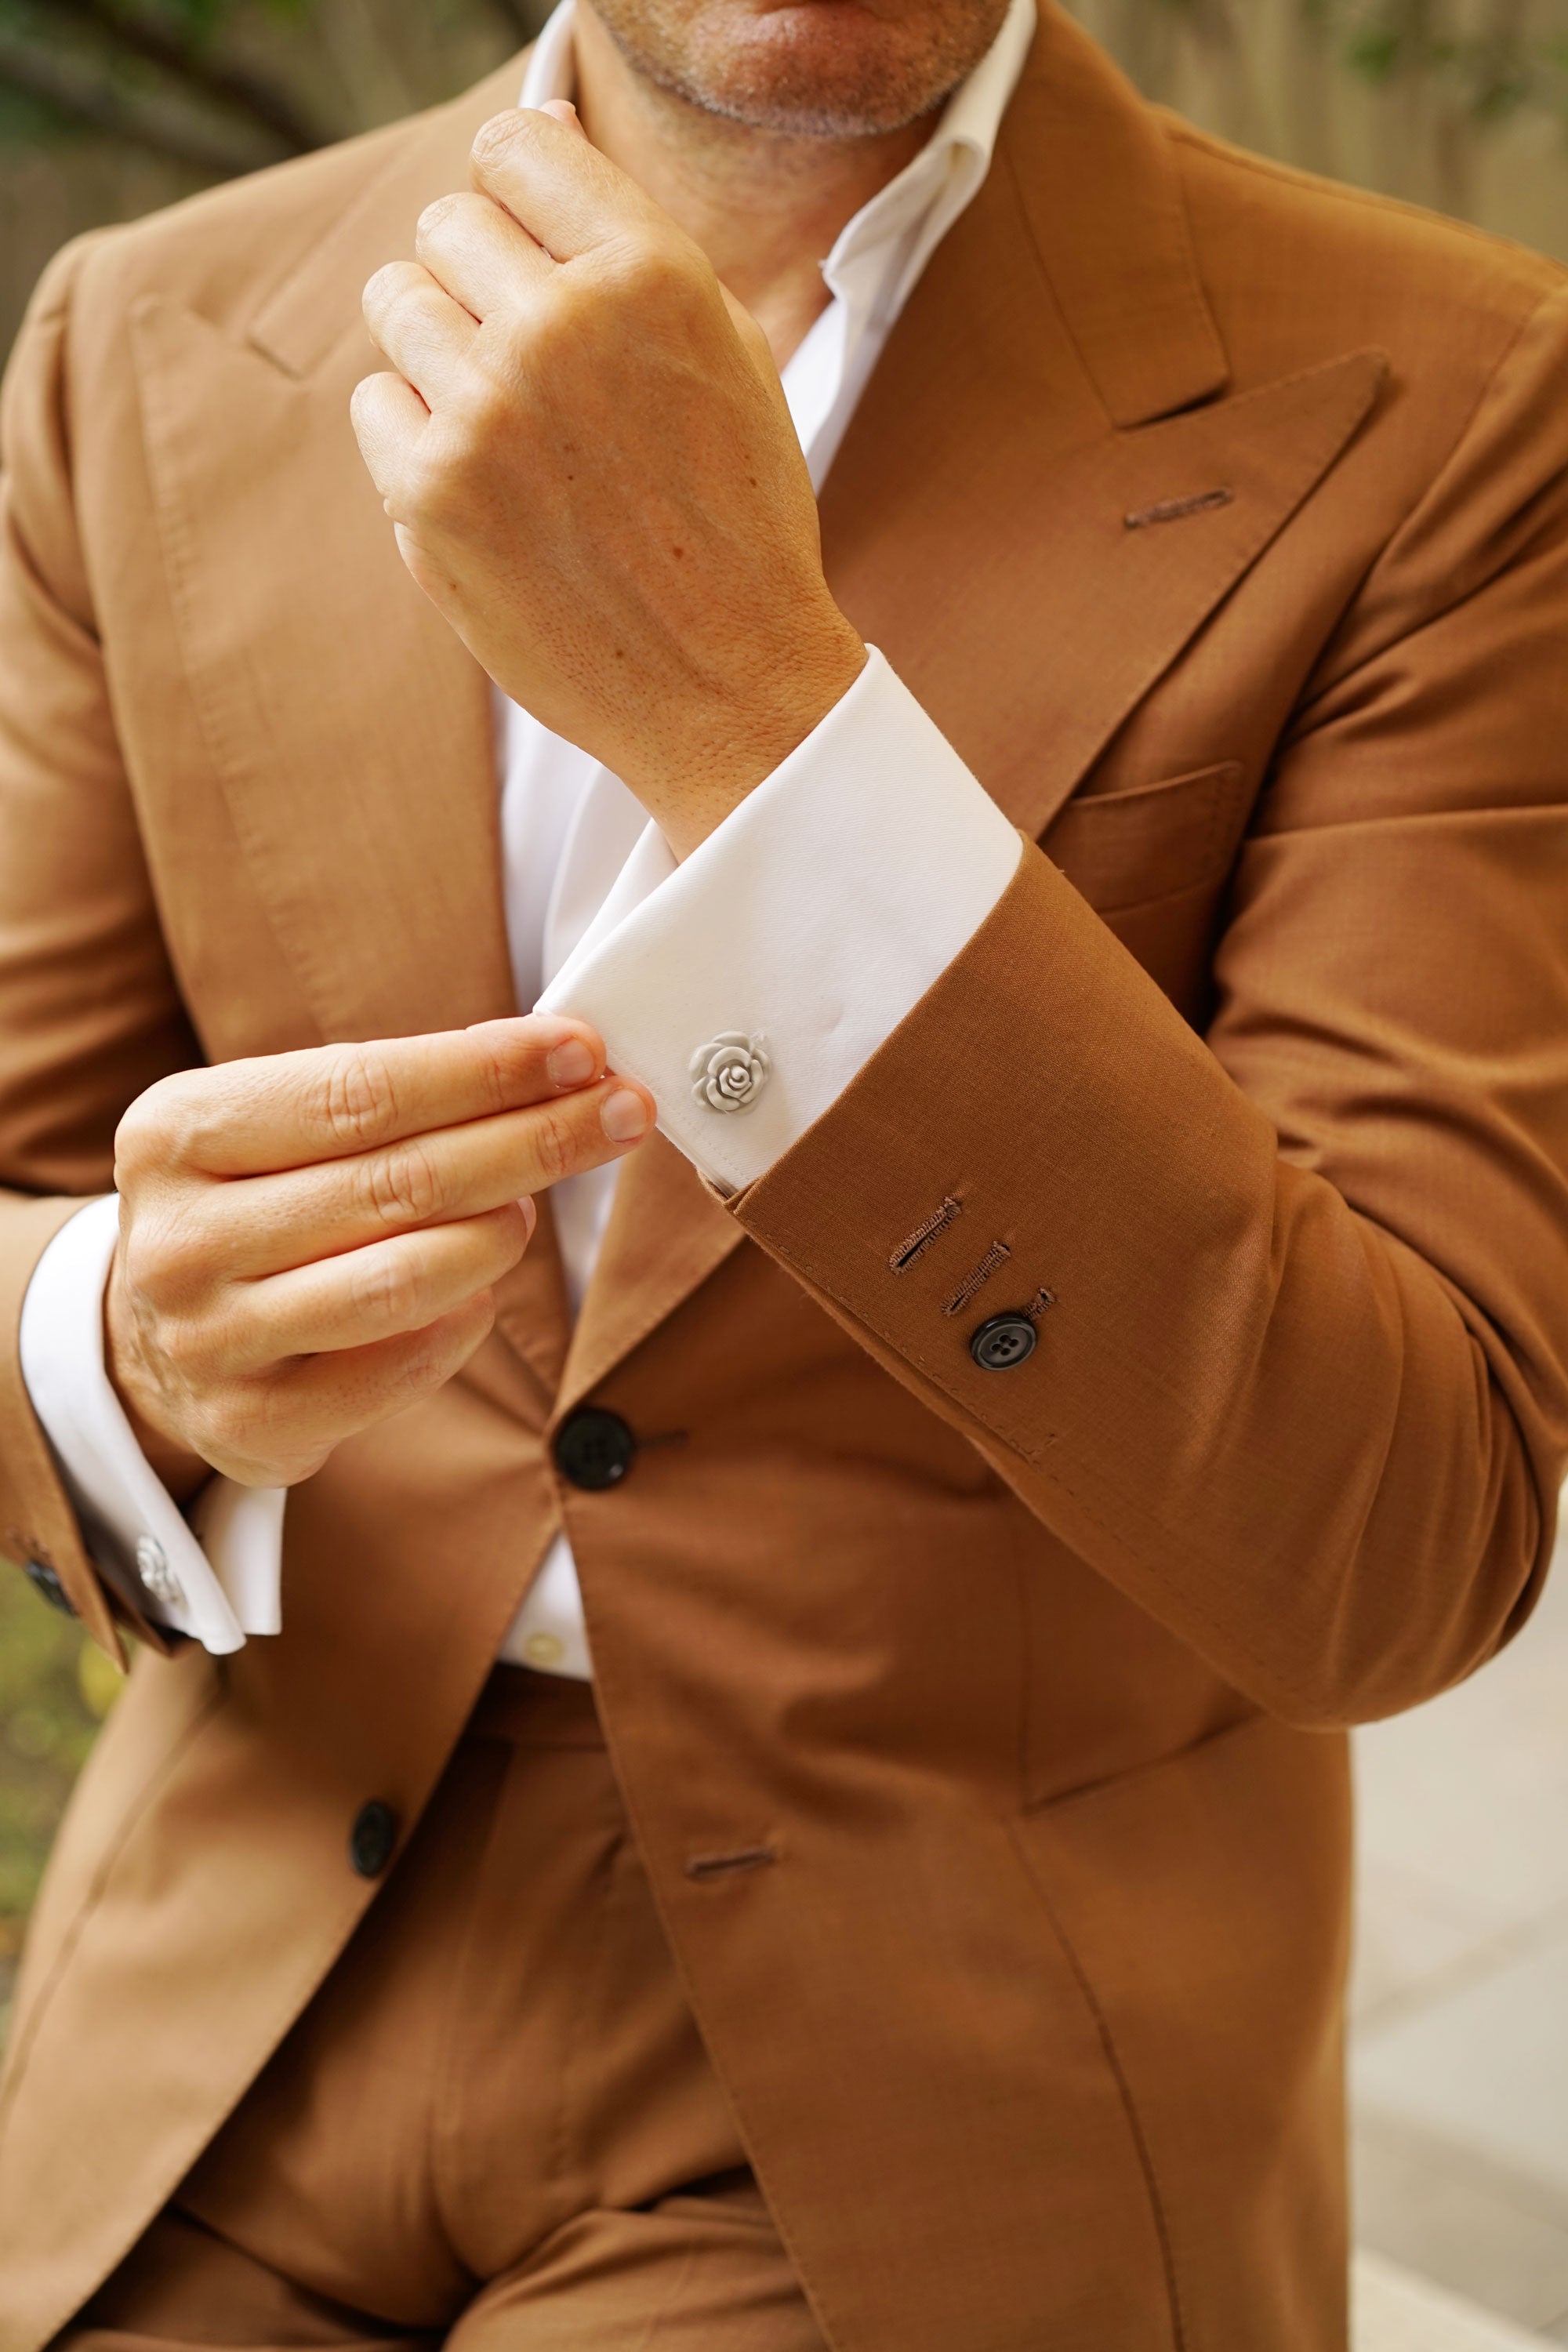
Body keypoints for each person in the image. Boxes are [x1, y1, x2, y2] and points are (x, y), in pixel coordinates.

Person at [2, 0, 1566, 2342]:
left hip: (939, 2040)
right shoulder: (138, 334)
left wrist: (753, 712)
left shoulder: (1462, 395)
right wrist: (111, 1338)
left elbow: (1401, 1540)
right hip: (232, 1965)